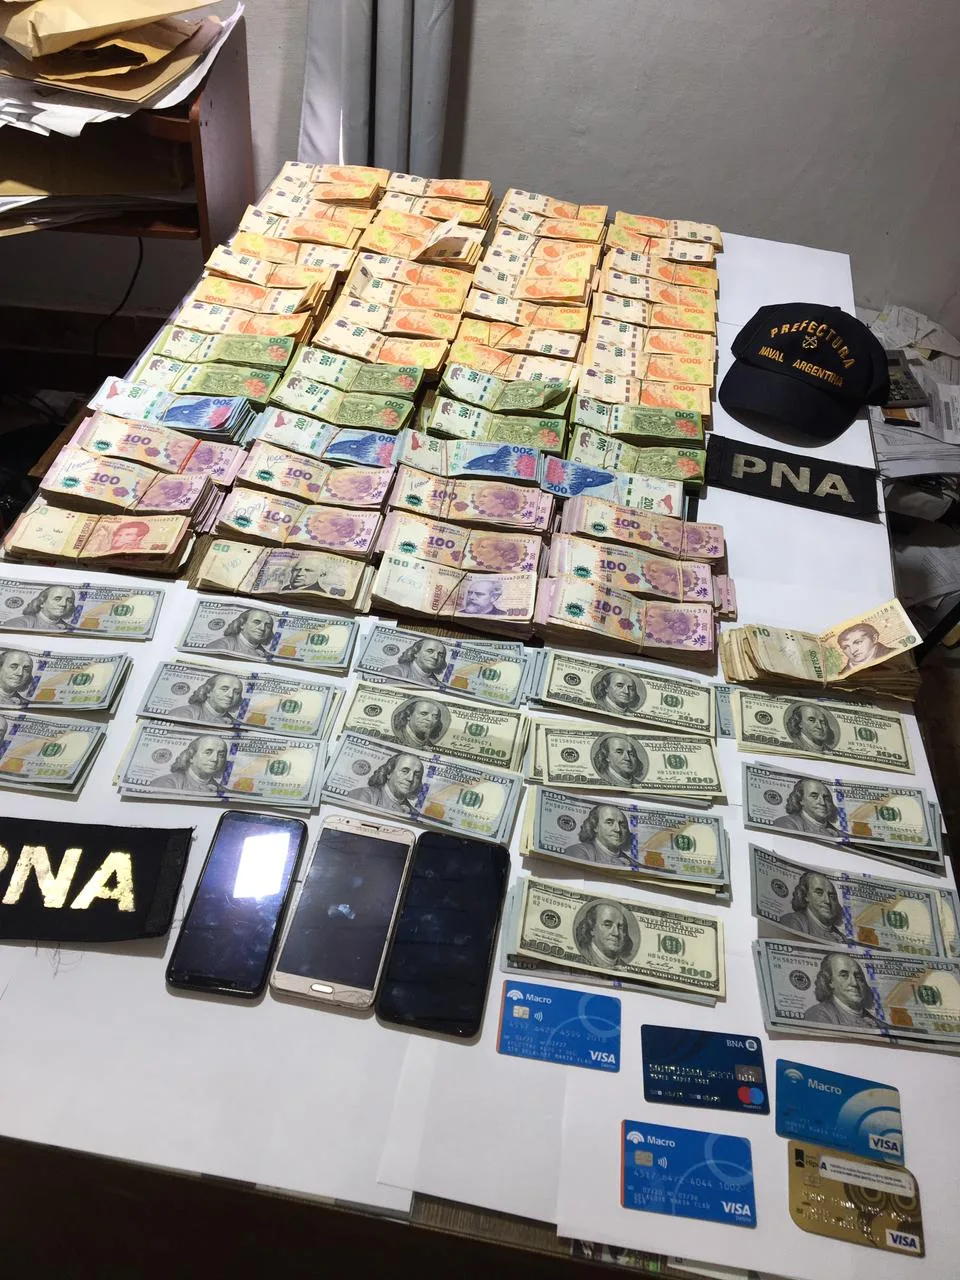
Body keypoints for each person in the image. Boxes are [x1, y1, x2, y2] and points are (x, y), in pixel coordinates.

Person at [802, 952, 881, 1028]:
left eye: (858, 977)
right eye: (844, 975)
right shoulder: (818, 1014)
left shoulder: (880, 1025)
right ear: (830, 981)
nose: (854, 983)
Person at [347, 752, 423, 816]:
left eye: (417, 775)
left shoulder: (414, 814)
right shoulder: (363, 795)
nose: (410, 779)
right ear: (389, 773)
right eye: (404, 771)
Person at [779, 871, 845, 941]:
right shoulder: (793, 921)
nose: (827, 901)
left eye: (831, 896)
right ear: (805, 895)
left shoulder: (840, 936)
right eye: (819, 893)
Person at [151, 734, 228, 793]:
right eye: (208, 752)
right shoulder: (166, 783)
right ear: (191, 756)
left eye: (221, 755)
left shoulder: (224, 792)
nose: (215, 759)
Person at [574, 899, 635, 968]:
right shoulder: (581, 959)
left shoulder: (624, 966)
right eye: (607, 925)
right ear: (592, 929)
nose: (616, 933)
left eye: (620, 927)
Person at [566, 805, 633, 867]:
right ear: (595, 826)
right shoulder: (578, 851)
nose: (618, 829)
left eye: (622, 825)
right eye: (609, 823)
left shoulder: (633, 863)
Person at [772, 778, 842, 837]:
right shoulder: (786, 823)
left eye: (826, 797)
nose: (823, 802)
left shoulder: (841, 834)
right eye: (814, 796)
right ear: (800, 800)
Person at [170, 673, 243, 727]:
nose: (230, 695)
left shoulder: (238, 724)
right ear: (208, 691)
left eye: (236, 692)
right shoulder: (183, 713)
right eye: (224, 689)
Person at [381, 637, 447, 686]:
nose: (435, 657)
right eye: (430, 651)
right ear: (416, 652)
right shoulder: (394, 672)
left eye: (440, 655)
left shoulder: (440, 685)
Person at [7, 585, 76, 631]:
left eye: (69, 601)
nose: (63, 604)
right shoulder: (21, 623)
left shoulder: (71, 629)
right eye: (57, 599)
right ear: (42, 602)